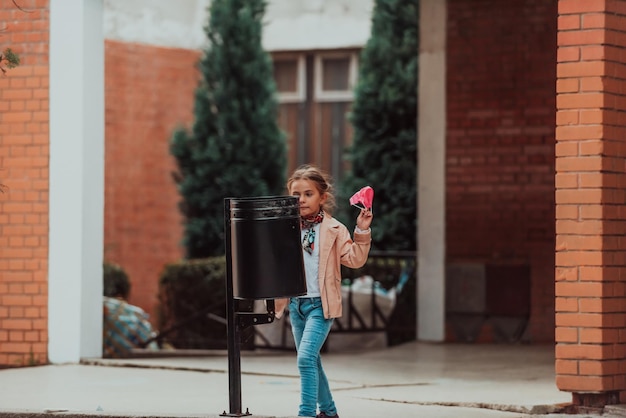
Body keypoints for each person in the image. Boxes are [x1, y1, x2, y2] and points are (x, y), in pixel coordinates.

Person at [275, 164, 373, 418]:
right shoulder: (287, 229)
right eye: (296, 194)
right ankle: (329, 412)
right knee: (313, 362)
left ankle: (306, 414)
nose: (301, 199)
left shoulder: (335, 229)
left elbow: (354, 259)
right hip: (296, 306)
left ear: (322, 198)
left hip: (320, 306)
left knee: (305, 359)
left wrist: (361, 229)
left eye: (308, 194)